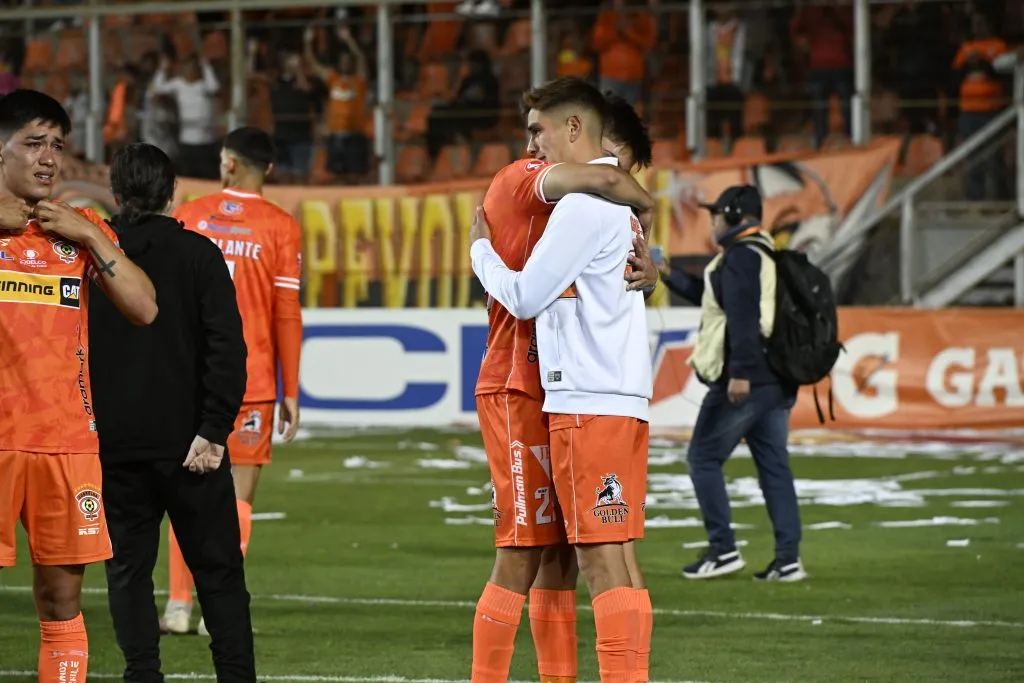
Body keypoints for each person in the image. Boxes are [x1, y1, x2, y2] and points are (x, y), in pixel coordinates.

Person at [470, 85, 656, 683]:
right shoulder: (617, 207)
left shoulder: (577, 203)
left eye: (538, 132)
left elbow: (526, 295)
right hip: (620, 395)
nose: (532, 147)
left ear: (574, 129)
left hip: (579, 397)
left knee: (588, 558)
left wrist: (478, 252)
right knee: (603, 555)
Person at [0, 89, 158, 683]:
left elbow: (144, 307)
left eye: (57, 146)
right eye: (33, 144)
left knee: (62, 600)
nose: (49, 158)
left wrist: (92, 238)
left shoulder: (80, 228)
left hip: (66, 443)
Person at [90, 143, 255, 682]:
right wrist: (214, 429)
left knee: (127, 572)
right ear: (173, 192)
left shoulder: (91, 256)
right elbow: (227, 349)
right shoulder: (199, 255)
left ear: (116, 191)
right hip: (192, 446)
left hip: (115, 447)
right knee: (220, 576)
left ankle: (142, 674)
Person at [164, 126, 303, 635]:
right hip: (253, 380)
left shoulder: (190, 215)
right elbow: (287, 311)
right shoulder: (281, 226)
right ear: (269, 169)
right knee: (238, 498)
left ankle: (177, 606)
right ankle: (215, 611)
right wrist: (291, 390)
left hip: (190, 379)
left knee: (185, 493)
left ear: (228, 163)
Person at [657, 185, 806, 582]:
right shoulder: (762, 252)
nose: (712, 221)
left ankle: (723, 550)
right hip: (773, 377)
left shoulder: (741, 256)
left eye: (717, 214)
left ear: (735, 214)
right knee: (774, 466)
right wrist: (666, 272)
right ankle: (788, 558)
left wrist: (740, 373)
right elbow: (714, 298)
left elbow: (742, 318)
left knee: (702, 459)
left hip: (747, 378)